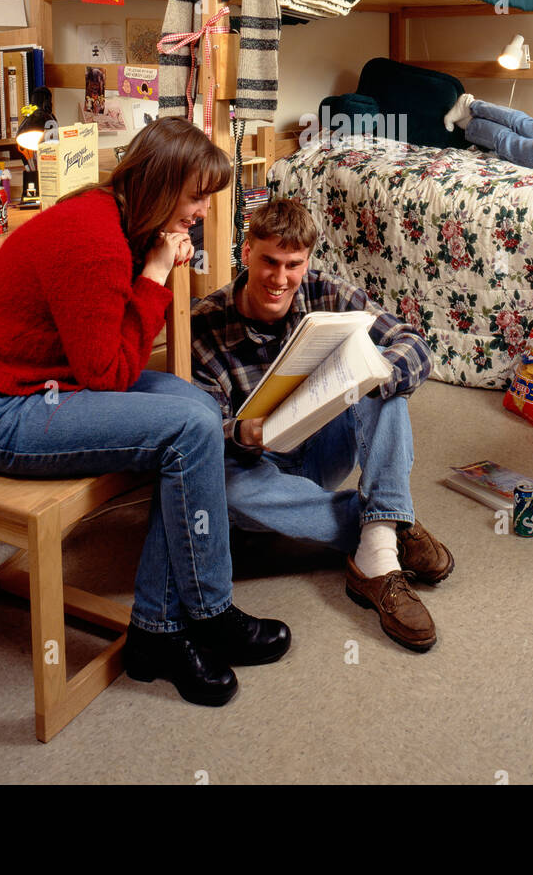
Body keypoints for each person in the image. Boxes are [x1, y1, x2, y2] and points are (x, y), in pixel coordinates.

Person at [0, 117, 290, 707]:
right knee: (186, 428)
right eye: (195, 198)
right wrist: (157, 274)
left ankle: (156, 630)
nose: (202, 212)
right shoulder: (95, 238)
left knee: (197, 408)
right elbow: (110, 375)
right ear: (159, 188)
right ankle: (208, 612)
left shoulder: (119, 218)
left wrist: (155, 262)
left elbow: (110, 360)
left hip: (46, 382)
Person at [190, 199, 453, 652]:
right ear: (246, 250)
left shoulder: (326, 291)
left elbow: (413, 342)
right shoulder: (204, 324)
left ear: (308, 260)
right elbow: (202, 426)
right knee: (223, 488)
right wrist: (239, 432)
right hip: (260, 476)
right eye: (269, 261)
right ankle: (383, 530)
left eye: (293, 265)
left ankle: (378, 551)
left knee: (382, 383)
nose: (279, 279)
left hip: (321, 450)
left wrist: (378, 373)